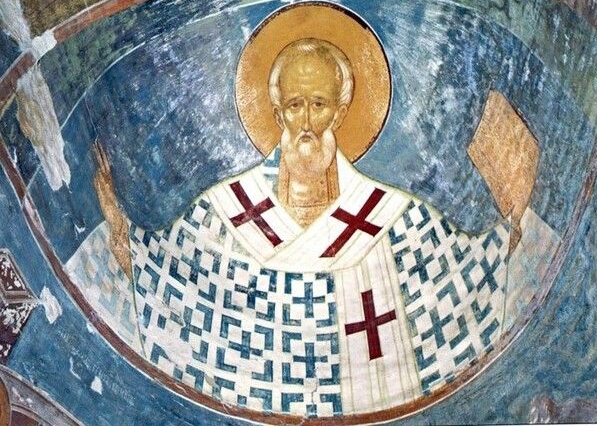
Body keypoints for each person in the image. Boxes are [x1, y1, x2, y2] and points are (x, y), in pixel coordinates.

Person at [90, 38, 514, 416]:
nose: (307, 123)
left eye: (319, 104)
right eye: (295, 106)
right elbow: (163, 274)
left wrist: (513, 215)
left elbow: (461, 270)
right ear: (277, 114)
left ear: (341, 113)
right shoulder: (227, 208)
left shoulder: (389, 212)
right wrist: (116, 222)